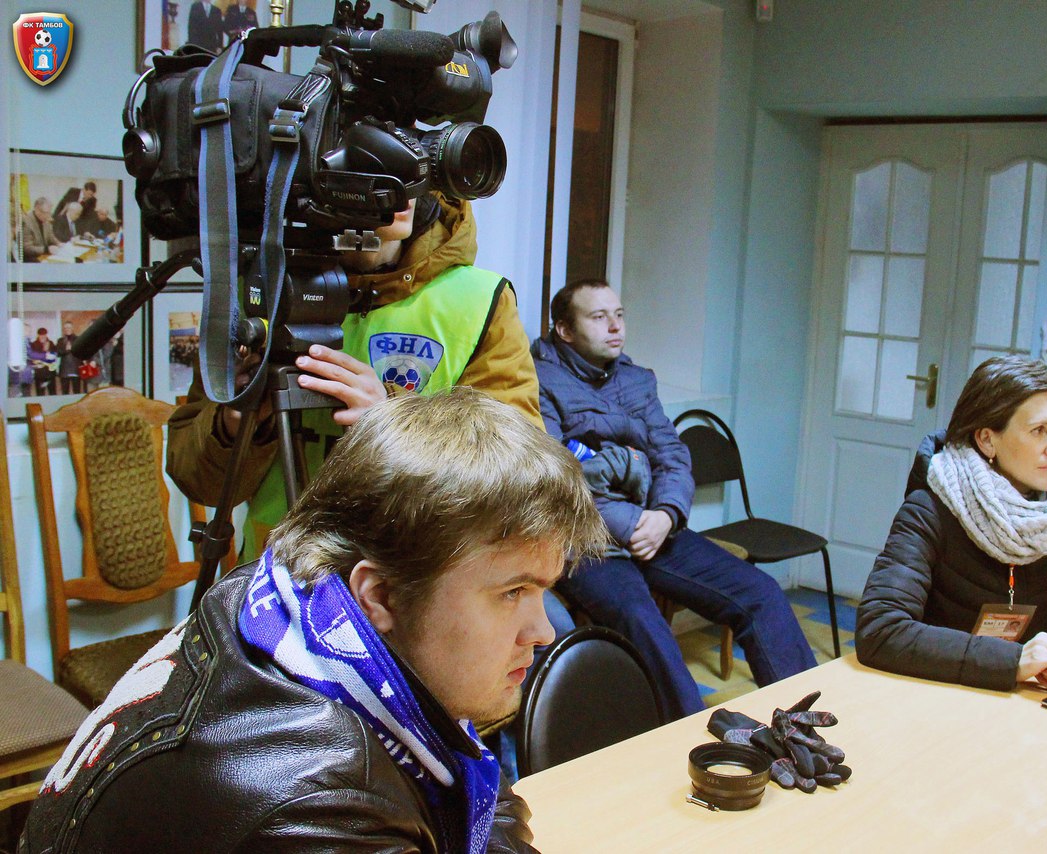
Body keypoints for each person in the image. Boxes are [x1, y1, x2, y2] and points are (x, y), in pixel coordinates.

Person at [19, 388, 608, 853]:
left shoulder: (278, 601)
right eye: (512, 592)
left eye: (542, 590)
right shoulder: (320, 809)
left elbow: (464, 765)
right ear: (380, 595)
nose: (543, 632)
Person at [167, 191, 541, 559]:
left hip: (404, 578)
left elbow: (522, 484)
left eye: (414, 167)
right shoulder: (257, 292)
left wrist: (396, 422)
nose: (400, 185)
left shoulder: (480, 300)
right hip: (273, 575)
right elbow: (200, 484)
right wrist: (236, 421)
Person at [532, 278, 817, 721]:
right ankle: (691, 736)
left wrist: (666, 514)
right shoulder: (538, 381)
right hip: (586, 542)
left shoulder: (636, 380)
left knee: (759, 593)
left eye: (619, 315)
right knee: (642, 621)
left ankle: (806, 726)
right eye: (599, 317)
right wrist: (633, 522)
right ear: (565, 330)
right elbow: (560, 480)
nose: (615, 326)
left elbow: (671, 454)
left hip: (655, 525)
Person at [856, 355, 1047, 692]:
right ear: (987, 440)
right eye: (1039, 431)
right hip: (936, 690)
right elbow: (881, 629)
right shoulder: (929, 508)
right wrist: (1013, 660)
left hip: (1018, 699)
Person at [27, 327, 57, 396]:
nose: (43, 337)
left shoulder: (51, 343)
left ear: (46, 335)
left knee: (53, 392)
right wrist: (44, 351)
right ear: (38, 335)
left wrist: (48, 351)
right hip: (39, 374)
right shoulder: (33, 344)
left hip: (50, 373)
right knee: (40, 393)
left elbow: (54, 356)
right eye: (41, 335)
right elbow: (33, 358)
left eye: (44, 335)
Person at [55, 320, 82, 395]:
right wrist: (66, 350)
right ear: (64, 329)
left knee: (77, 392)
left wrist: (72, 349)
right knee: (65, 392)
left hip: (76, 369)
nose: (67, 329)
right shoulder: (60, 340)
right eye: (66, 328)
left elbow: (81, 352)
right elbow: (58, 353)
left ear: (72, 328)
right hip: (64, 370)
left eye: (69, 327)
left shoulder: (79, 339)